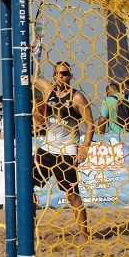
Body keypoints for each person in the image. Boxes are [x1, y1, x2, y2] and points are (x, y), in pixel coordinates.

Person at [33, 61, 95, 236]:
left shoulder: (77, 97)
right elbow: (29, 77)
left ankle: (84, 234)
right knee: (26, 188)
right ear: (54, 75)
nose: (62, 77)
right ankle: (30, 230)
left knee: (72, 196)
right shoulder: (48, 89)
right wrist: (30, 53)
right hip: (46, 150)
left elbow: (90, 125)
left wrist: (84, 149)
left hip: (66, 153)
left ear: (71, 75)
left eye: (65, 74)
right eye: (59, 74)